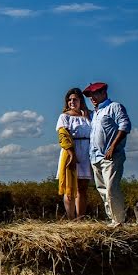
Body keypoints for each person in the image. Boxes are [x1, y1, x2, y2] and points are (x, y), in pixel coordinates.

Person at [83, 82, 131, 226]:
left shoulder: (114, 107)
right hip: (95, 157)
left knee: (111, 188)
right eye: (90, 95)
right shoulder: (95, 113)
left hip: (111, 156)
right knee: (103, 190)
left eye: (95, 93)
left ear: (104, 93)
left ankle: (119, 221)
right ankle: (112, 219)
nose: (92, 97)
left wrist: (112, 147)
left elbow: (125, 126)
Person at [56, 87, 92, 219]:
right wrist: (72, 154)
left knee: (82, 188)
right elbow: (63, 135)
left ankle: (80, 218)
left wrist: (87, 116)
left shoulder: (89, 115)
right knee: (70, 186)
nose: (72, 102)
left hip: (86, 151)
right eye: (69, 99)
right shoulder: (64, 116)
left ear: (81, 101)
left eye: (75, 99)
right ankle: (70, 218)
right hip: (71, 150)